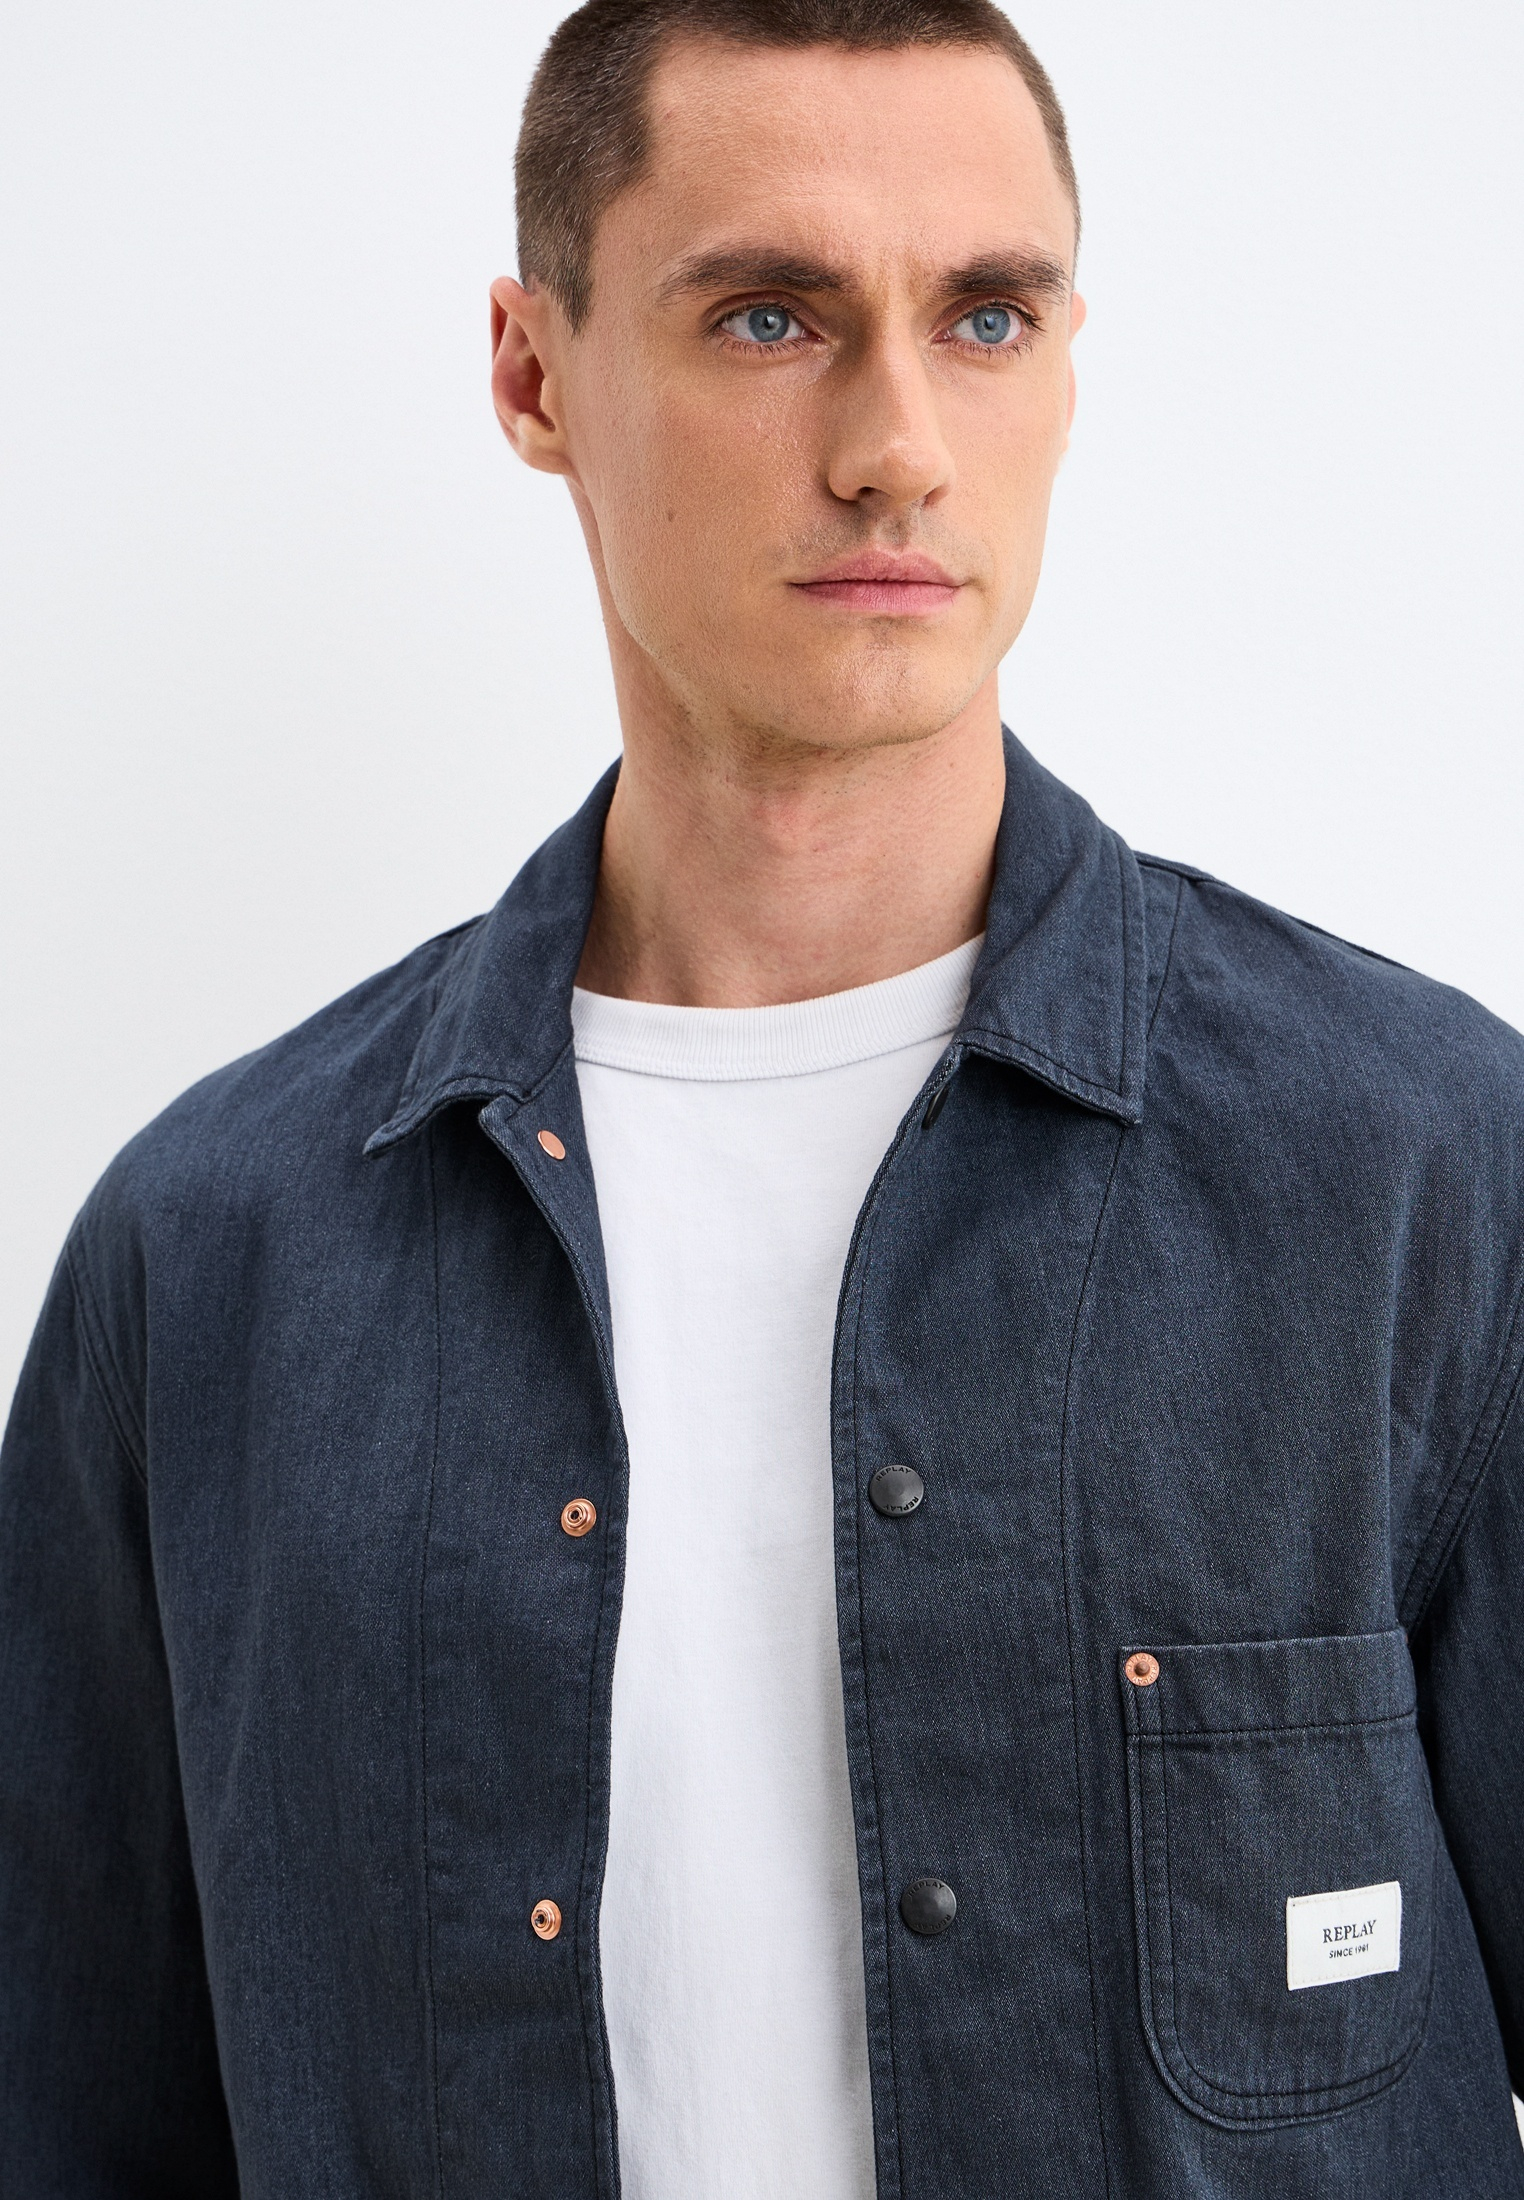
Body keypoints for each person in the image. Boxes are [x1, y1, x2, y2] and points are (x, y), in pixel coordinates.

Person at [3, 0, 1522, 2192]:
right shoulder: (212, 1258)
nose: (898, 443)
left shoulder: (1416, 1169)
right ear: (535, 374)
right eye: (771, 316)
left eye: (985, 317)